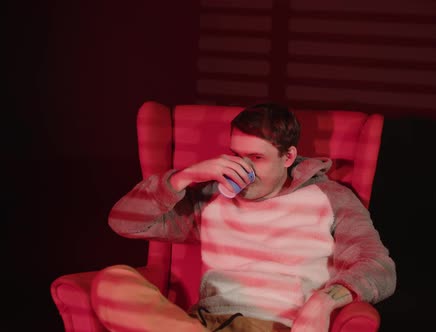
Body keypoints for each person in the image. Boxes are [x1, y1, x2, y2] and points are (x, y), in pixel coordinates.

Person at [90, 102, 396, 332]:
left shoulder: (332, 198)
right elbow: (125, 222)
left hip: (275, 326)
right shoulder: (211, 196)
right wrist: (184, 177)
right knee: (112, 282)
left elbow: (379, 269)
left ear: (288, 157)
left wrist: (324, 301)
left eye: (257, 158)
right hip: (200, 324)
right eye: (237, 155)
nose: (244, 170)